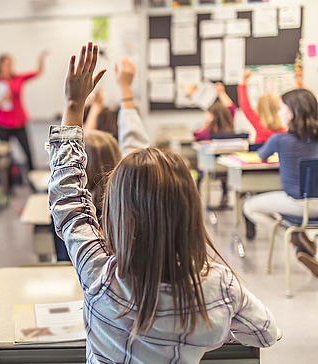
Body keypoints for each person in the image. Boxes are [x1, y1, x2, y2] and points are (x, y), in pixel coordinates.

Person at [49, 42, 279, 362]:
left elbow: (68, 199)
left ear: (117, 210)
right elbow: (265, 333)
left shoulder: (99, 272)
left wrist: (73, 106)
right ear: (189, 210)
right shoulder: (218, 284)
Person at [52, 57, 148, 261]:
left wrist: (73, 104)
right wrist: (125, 89)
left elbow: (67, 193)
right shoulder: (132, 212)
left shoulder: (94, 267)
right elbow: (135, 150)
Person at [243, 88, 318, 275]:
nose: (279, 112)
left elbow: (261, 156)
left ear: (291, 112)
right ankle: (301, 241)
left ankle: (295, 240)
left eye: (281, 108)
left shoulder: (280, 140)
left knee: (249, 206)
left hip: (298, 203)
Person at [0, 50, 48, 174]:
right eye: (6, 64)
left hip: (19, 122)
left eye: (10, 63)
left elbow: (37, 72)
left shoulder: (18, 78)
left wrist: (41, 59)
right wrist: (1, 100)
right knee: (6, 157)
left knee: (28, 153)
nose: (9, 66)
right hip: (2, 124)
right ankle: (8, 187)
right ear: (0, 66)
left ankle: (33, 181)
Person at [238, 70, 286, 144]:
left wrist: (243, 81)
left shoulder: (259, 125)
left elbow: (245, 107)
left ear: (259, 109)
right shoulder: (285, 130)